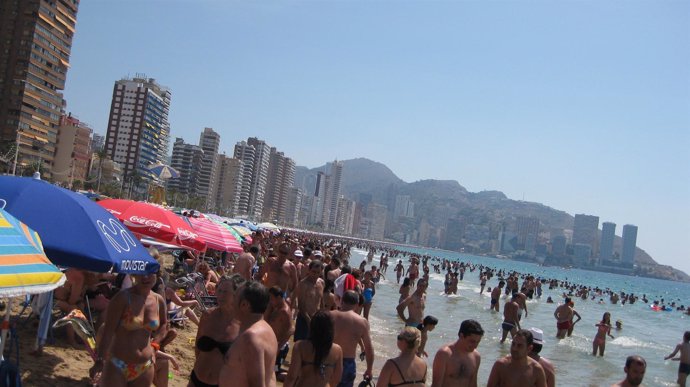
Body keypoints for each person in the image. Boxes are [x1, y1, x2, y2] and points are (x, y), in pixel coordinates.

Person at [91, 272, 167, 386]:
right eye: (141, 273)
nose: (145, 277)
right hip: (118, 364)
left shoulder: (158, 300)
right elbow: (107, 331)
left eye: (150, 273)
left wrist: (155, 345)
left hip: (145, 365)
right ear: (134, 275)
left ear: (157, 274)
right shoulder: (122, 298)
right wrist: (99, 360)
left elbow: (164, 324)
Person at [189, 274, 245, 387]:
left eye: (226, 292)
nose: (220, 295)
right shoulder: (207, 315)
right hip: (196, 378)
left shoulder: (243, 325)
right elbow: (198, 347)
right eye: (219, 290)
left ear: (236, 295)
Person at [219, 281, 278, 387]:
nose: (231, 301)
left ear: (244, 305)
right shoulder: (268, 330)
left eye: (235, 297)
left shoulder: (250, 338)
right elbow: (270, 376)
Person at [284, 311, 343, 387]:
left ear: (312, 326)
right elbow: (336, 379)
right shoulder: (337, 350)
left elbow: (291, 377)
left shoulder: (300, 346)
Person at [331, 290, 374, 387]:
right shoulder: (362, 322)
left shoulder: (329, 315)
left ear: (341, 301)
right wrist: (369, 369)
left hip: (329, 359)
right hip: (347, 363)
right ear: (357, 304)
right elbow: (369, 348)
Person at [431, 319, 484, 387]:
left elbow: (473, 383)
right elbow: (436, 384)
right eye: (472, 341)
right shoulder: (444, 354)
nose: (475, 346)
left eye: (478, 342)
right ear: (461, 336)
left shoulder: (476, 357)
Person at [265, 286, 295, 381]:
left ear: (278, 298)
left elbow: (291, 329)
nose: (270, 301)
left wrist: (279, 346)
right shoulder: (276, 308)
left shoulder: (284, 311)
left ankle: (296, 380)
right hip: (273, 344)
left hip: (280, 347)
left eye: (271, 298)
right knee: (269, 370)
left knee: (274, 373)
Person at [294, 260, 325, 341]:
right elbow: (300, 305)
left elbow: (321, 301)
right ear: (309, 270)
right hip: (304, 319)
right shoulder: (303, 284)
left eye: (318, 272)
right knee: (300, 345)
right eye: (313, 271)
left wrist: (323, 316)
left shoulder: (321, 283)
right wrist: (309, 321)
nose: (315, 274)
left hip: (316, 318)